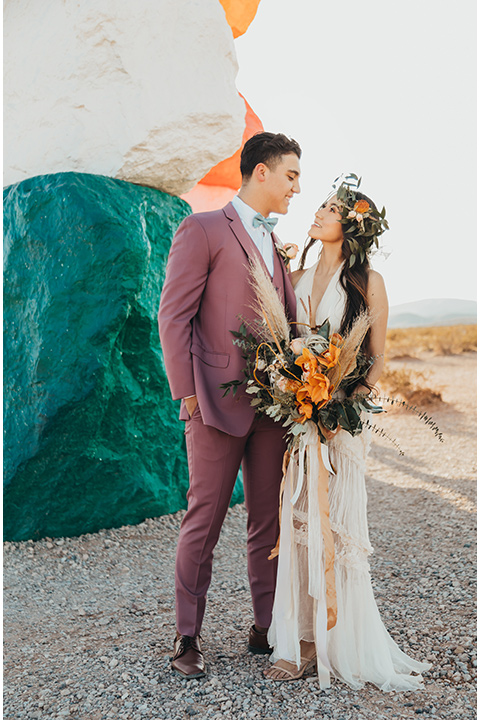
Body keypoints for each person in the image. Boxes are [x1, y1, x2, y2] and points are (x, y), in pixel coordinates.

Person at [264, 183, 431, 690]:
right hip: (299, 419)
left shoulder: (369, 282)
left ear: (352, 227)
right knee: (298, 521)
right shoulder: (293, 276)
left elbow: (377, 355)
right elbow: (278, 344)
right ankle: (301, 641)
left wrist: (344, 401)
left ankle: (340, 640)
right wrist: (292, 392)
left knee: (335, 523)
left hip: (343, 421)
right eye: (319, 205)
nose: (317, 212)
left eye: (331, 210)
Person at [158, 132, 301, 679]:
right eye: (290, 175)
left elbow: (285, 319)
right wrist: (187, 395)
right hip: (214, 403)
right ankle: (187, 635)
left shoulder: (278, 247)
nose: (295, 188)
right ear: (260, 172)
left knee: (268, 522)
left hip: (273, 409)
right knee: (205, 519)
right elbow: (174, 316)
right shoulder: (203, 229)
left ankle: (264, 628)